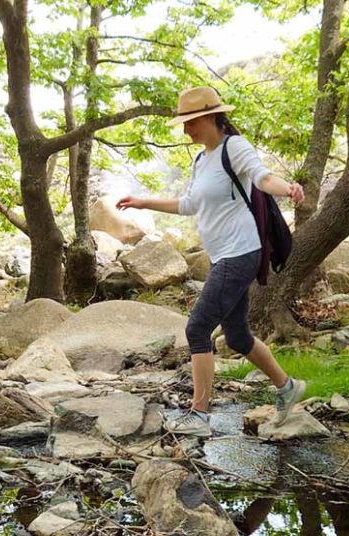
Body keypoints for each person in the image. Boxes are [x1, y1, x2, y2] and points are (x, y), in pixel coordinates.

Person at [117, 86, 307, 438]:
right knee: (236, 335)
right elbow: (189, 204)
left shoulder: (233, 148)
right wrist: (144, 203)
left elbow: (262, 177)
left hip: (241, 251)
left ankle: (199, 415)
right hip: (224, 254)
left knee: (197, 329)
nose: (186, 129)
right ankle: (287, 387)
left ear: (210, 117)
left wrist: (289, 189)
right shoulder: (202, 159)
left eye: (190, 122)